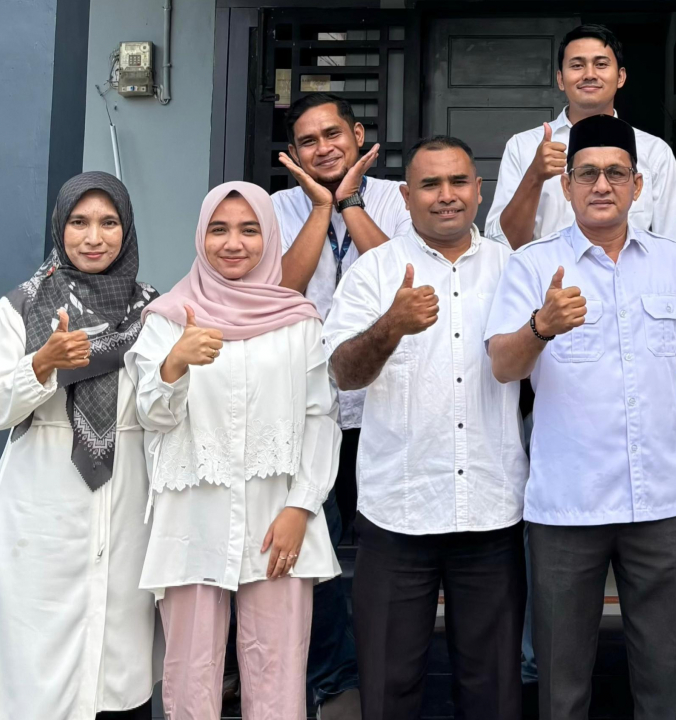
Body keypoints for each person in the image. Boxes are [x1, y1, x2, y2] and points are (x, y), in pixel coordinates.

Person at [485, 114, 676, 720]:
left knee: (667, 680)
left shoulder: (672, 263)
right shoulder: (532, 264)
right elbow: (503, 365)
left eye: (616, 173)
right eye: (587, 173)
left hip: (662, 498)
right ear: (566, 186)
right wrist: (541, 327)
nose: (602, 185)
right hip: (569, 503)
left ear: (638, 186)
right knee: (562, 686)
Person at [323, 135, 529, 720]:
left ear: (479, 191)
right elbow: (343, 374)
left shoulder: (512, 269)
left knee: (493, 691)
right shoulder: (374, 272)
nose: (446, 195)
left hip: (490, 508)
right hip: (399, 511)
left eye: (458, 182)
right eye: (430, 184)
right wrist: (390, 325)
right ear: (406, 196)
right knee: (388, 689)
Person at [0, 173, 158, 720]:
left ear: (127, 230)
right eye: (78, 222)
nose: (94, 237)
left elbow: (162, 410)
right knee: (33, 669)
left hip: (126, 501)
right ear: (59, 227)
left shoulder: (153, 311)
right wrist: (40, 365)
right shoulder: (22, 306)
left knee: (115, 670)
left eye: (108, 222)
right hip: (38, 507)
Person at [127, 182, 342, 720]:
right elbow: (151, 417)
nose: (233, 243)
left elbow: (321, 418)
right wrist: (175, 363)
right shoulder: (168, 318)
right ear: (201, 237)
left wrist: (301, 507)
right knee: (189, 671)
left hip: (278, 518)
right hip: (191, 516)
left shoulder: (299, 321)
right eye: (218, 230)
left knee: (278, 669)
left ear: (269, 237)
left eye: (249, 230)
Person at [273, 91, 412, 716]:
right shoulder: (274, 208)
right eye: (308, 141)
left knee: (388, 551)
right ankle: (334, 681)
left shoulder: (398, 199)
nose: (323, 148)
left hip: (385, 402)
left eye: (333, 134)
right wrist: (320, 208)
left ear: (358, 135)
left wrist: (350, 203)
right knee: (317, 553)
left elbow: (401, 277)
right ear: (293, 153)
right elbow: (281, 290)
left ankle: (388, 677)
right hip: (308, 406)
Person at [485, 23, 676, 249]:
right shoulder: (523, 147)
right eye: (577, 65)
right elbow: (501, 246)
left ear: (620, 77)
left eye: (601, 64)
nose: (589, 75)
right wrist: (534, 176)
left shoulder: (655, 152)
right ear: (560, 79)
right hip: (547, 273)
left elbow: (670, 246)